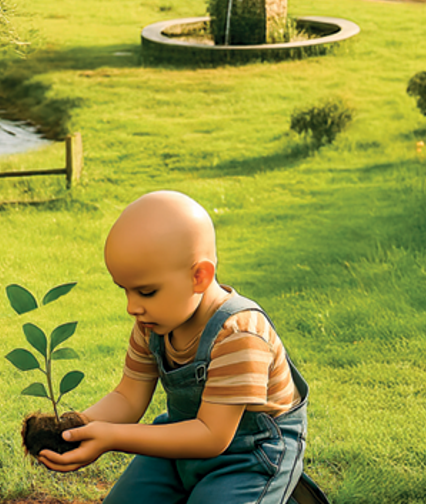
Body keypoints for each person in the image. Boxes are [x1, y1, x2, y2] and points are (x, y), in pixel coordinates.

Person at [38, 190, 325, 504]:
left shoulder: (239, 334)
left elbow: (212, 436)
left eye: (146, 292)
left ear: (199, 276)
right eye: (125, 290)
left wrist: (112, 437)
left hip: (250, 456)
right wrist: (77, 428)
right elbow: (128, 397)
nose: (132, 307)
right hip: (182, 438)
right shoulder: (152, 325)